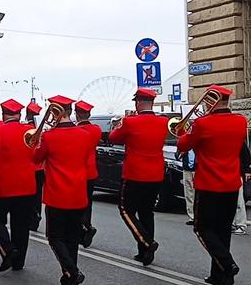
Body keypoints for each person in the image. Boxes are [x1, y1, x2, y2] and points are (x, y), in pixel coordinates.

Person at [177, 85, 247, 285]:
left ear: (210, 102)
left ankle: (227, 263)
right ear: (228, 101)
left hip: (208, 185)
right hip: (231, 184)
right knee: (223, 230)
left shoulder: (202, 124)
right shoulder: (240, 121)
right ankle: (220, 276)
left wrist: (189, 129)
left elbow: (183, 144)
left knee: (202, 228)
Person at [32, 95, 95, 285]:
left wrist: (39, 140)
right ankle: (69, 282)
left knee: (54, 238)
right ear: (70, 110)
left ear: (54, 112)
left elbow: (35, 158)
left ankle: (72, 272)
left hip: (57, 195)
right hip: (78, 194)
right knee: (71, 239)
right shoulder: (84, 135)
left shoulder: (49, 137)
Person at [108, 88, 168, 266]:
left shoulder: (130, 122)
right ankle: (145, 253)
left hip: (134, 174)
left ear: (138, 103)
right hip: (155, 174)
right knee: (147, 213)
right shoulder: (163, 122)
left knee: (125, 210)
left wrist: (120, 124)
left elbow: (113, 138)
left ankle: (147, 243)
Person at [0, 99, 38, 272]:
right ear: (20, 114)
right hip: (26, 186)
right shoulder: (30, 132)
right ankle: (19, 262)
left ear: (3, 113)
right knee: (21, 226)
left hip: (0, 185)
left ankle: (8, 248)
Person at [74, 100, 101, 248]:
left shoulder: (77, 131)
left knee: (78, 203)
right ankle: (86, 226)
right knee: (88, 203)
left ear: (76, 114)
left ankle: (84, 229)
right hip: (91, 170)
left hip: (79, 170)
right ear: (89, 114)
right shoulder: (95, 129)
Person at [26, 102, 43, 228]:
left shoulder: (26, 129)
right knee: (37, 195)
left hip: (29, 167)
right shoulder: (42, 129)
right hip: (40, 168)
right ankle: (36, 216)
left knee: (29, 195)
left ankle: (32, 217)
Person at [182, 150, 196, 226]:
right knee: (188, 193)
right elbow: (177, 155)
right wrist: (181, 153)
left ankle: (198, 216)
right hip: (187, 169)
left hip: (197, 169)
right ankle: (191, 217)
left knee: (197, 193)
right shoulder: (185, 144)